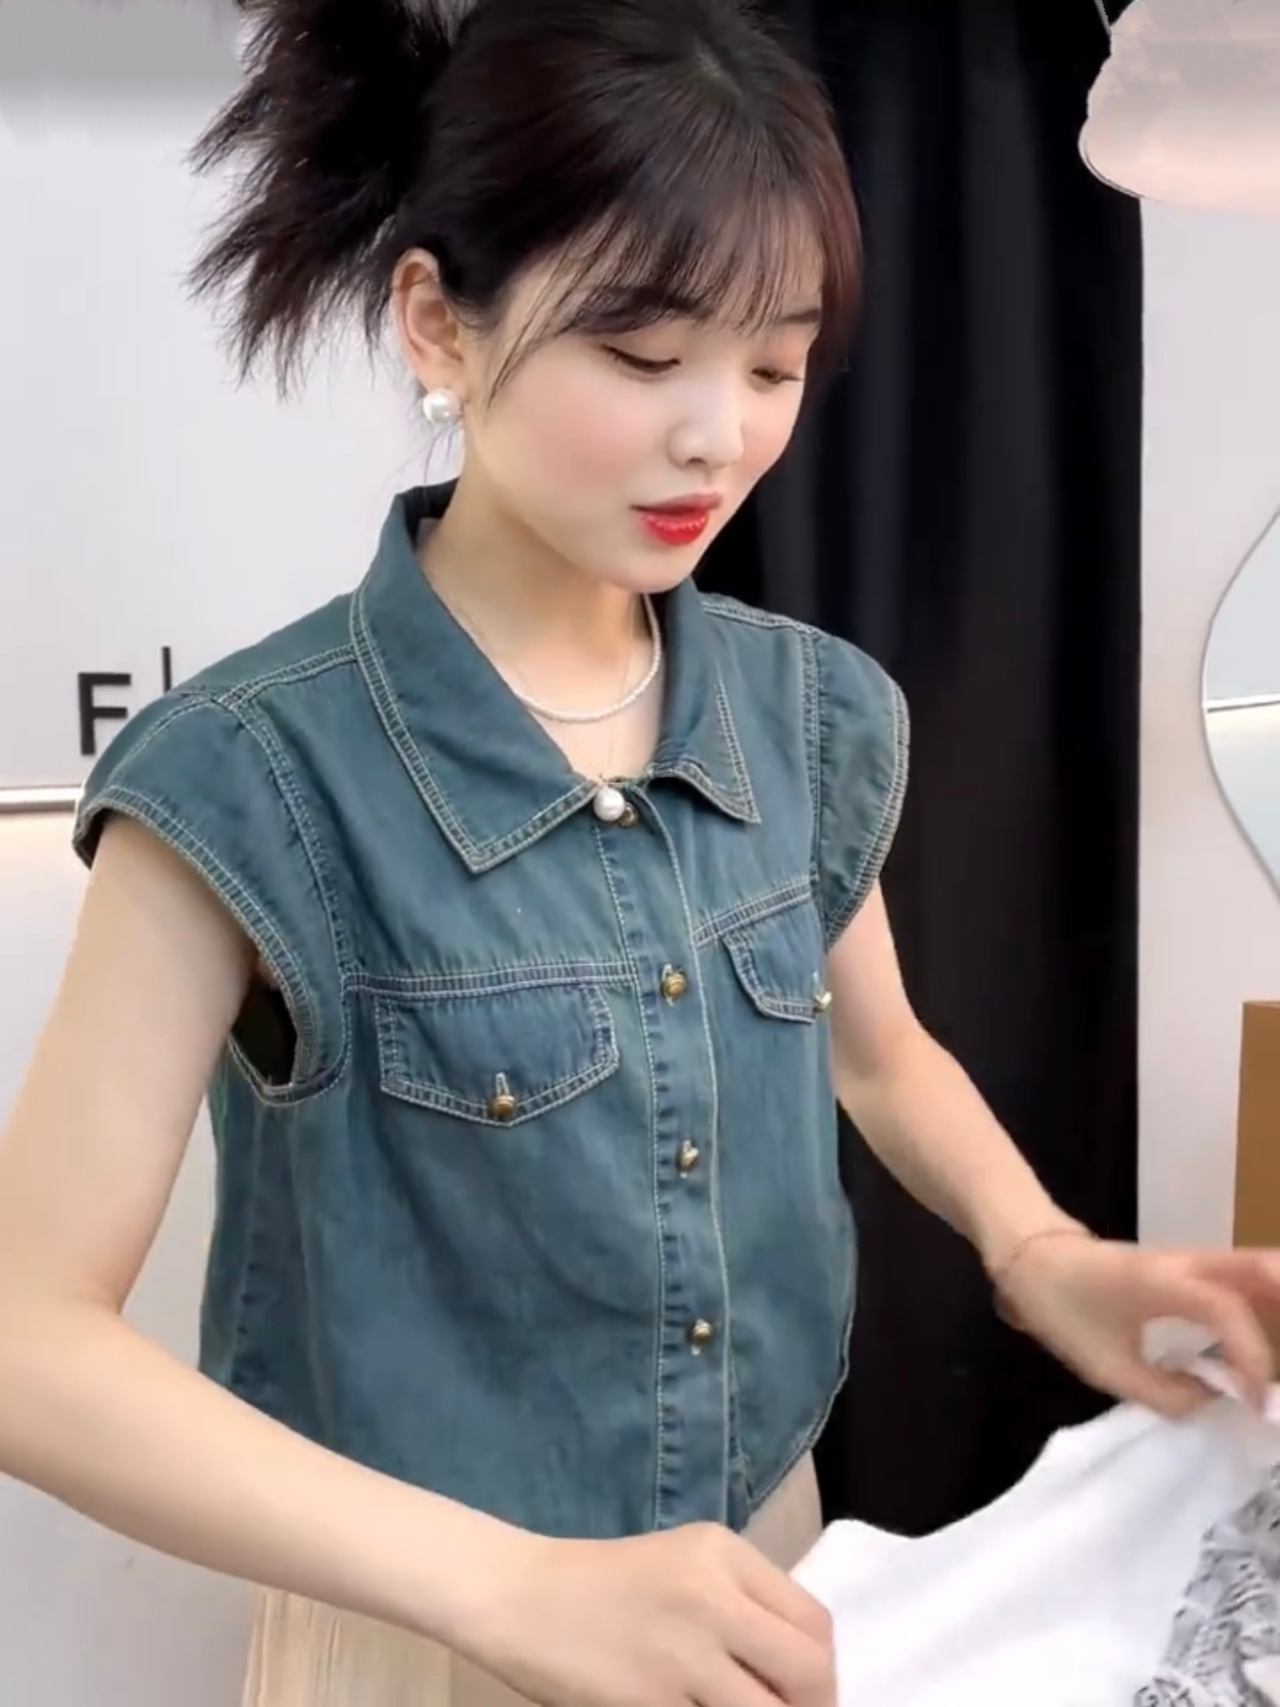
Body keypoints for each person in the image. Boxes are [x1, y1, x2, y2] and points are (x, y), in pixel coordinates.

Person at [1, 2, 1278, 1705]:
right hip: (432, 1633)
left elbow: (880, 1053)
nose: (718, 437)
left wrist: (1045, 1256)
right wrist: (508, 1588)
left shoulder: (806, 711)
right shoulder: (248, 776)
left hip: (768, 1576)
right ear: (440, 323)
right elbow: (24, 1341)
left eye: (773, 367)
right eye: (645, 354)